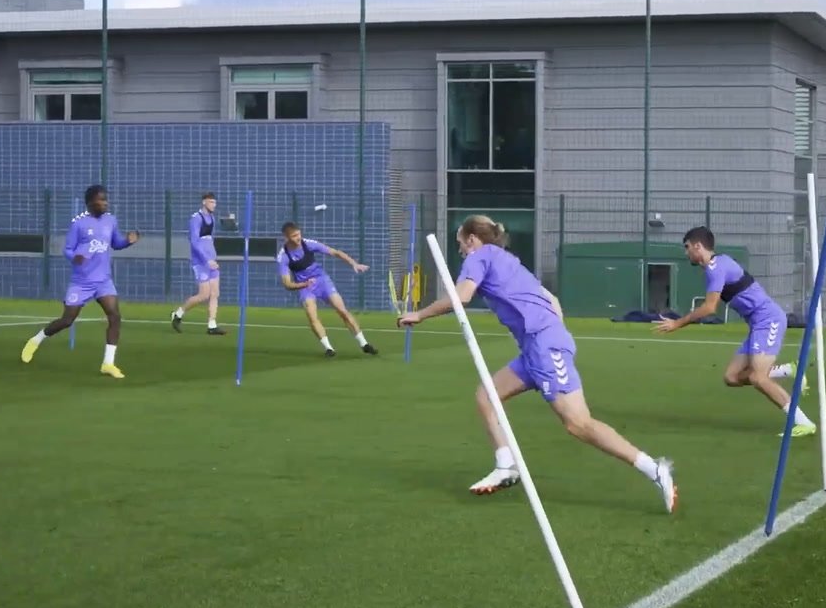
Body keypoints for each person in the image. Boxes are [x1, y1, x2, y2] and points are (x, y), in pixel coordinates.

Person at [397, 215, 677, 513]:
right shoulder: (508, 260)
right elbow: (552, 299)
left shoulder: (479, 256)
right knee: (487, 396)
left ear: (472, 239)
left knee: (578, 424)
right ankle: (506, 465)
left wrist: (420, 314)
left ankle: (654, 469)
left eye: (460, 245)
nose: (461, 252)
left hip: (544, 347)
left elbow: (462, 296)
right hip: (536, 347)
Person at [653, 226, 817, 438]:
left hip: (768, 320)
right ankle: (787, 370)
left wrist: (678, 323)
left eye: (687, 247)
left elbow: (710, 307)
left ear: (698, 246)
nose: (686, 253)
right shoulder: (716, 266)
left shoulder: (716, 267)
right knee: (731, 377)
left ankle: (803, 422)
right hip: (757, 325)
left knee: (758, 378)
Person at [21, 184, 139, 378]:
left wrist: (127, 241)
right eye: (101, 200)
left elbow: (115, 243)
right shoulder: (79, 224)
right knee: (67, 320)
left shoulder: (111, 220)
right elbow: (67, 249)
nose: (105, 202)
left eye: (105, 199)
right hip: (82, 282)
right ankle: (36, 340)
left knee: (115, 316)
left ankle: (108, 364)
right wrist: (74, 257)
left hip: (103, 281)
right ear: (90, 202)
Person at [276, 222, 378, 357]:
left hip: (321, 280)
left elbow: (335, 252)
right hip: (305, 286)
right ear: (287, 237)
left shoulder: (308, 244)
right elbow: (287, 284)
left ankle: (364, 344)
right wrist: (304, 284)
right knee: (312, 317)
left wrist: (354, 263)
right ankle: (329, 348)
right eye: (294, 236)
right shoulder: (283, 256)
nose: (298, 238)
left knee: (342, 311)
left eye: (299, 234)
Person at [171, 192, 225, 335]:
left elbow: (209, 239)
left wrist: (213, 257)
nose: (214, 205)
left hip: (212, 261)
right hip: (201, 262)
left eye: (215, 202)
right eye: (211, 202)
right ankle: (178, 314)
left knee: (215, 293)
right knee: (203, 295)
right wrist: (206, 260)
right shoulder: (196, 219)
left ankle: (212, 325)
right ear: (204, 202)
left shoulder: (212, 218)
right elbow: (195, 242)